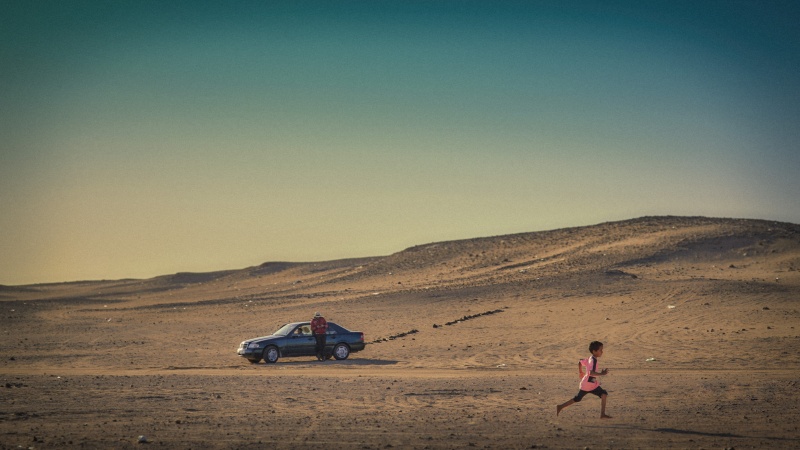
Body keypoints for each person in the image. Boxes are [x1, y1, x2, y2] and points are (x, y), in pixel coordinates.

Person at [556, 341, 612, 419]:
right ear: (594, 351)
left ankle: (560, 406)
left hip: (586, 384)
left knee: (578, 398)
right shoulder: (593, 360)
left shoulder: (590, 358)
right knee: (604, 394)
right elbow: (591, 373)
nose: (602, 352)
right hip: (590, 384)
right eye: (600, 350)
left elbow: (580, 362)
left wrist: (580, 372)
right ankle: (602, 414)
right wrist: (602, 373)